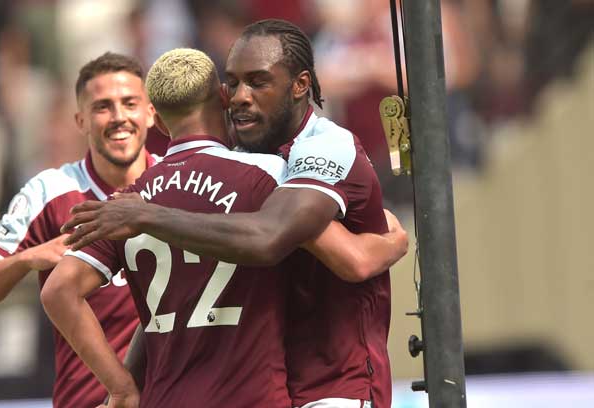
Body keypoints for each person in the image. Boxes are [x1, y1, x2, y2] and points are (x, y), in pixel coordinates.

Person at [44, 48, 406, 408]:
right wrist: (392, 239)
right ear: (223, 97)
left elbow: (58, 292)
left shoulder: (128, 201)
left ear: (158, 121)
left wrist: (120, 387)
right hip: (250, 397)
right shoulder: (267, 177)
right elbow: (352, 257)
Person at [0, 52, 158, 407]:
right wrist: (25, 260)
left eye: (130, 103)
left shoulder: (180, 183)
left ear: (151, 113)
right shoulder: (49, 191)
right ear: (81, 120)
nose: (119, 117)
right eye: (102, 107)